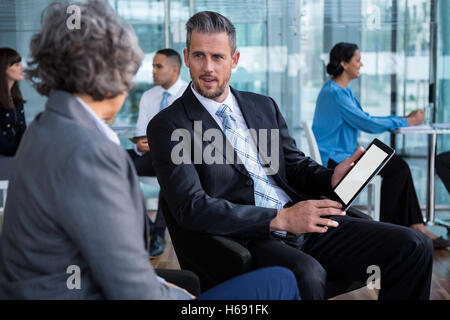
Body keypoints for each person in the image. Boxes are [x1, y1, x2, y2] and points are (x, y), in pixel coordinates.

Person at [0, 0, 300, 300]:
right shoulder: (89, 152)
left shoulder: (46, 126)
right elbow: (133, 290)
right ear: (115, 71)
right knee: (281, 282)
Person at [148, 11, 433, 300]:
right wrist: (279, 219)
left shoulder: (263, 106)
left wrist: (329, 176)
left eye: (218, 57)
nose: (208, 67)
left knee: (415, 246)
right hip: (250, 236)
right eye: (199, 56)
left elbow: (295, 165)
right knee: (306, 274)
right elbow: (191, 206)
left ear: (234, 60)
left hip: (304, 218)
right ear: (186, 57)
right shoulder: (169, 125)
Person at [312, 42, 449, 249]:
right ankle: (399, 229)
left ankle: (411, 226)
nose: (361, 64)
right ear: (344, 63)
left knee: (397, 165)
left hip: (344, 157)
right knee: (398, 167)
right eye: (357, 60)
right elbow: (367, 123)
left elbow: (365, 118)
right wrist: (408, 121)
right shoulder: (336, 94)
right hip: (339, 164)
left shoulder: (341, 91)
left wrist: (403, 119)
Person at [127, 48, 188, 257]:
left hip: (176, 158)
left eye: (158, 66)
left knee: (170, 171)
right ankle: (147, 228)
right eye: (152, 66)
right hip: (150, 155)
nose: (153, 71)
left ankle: (159, 233)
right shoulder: (148, 96)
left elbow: (185, 138)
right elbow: (139, 132)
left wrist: (156, 143)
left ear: (174, 70)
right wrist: (139, 145)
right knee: (119, 163)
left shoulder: (189, 94)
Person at [0, 48, 26, 157]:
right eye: (16, 65)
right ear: (3, 68)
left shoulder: (16, 97)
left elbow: (22, 130)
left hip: (17, 157)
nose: (22, 68)